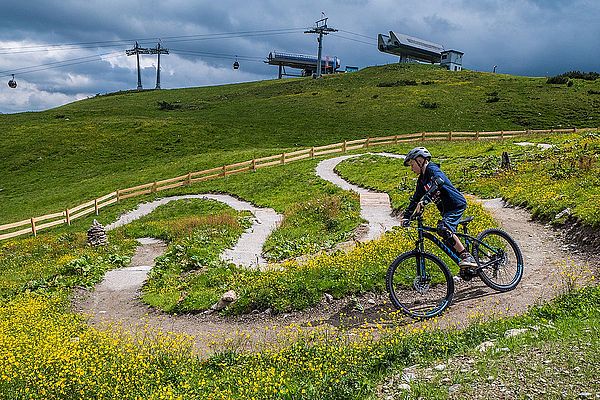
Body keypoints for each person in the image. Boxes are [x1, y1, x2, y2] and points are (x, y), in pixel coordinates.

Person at [400, 146, 478, 278]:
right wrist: (406, 216)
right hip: (446, 210)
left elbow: (439, 182)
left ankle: (467, 256)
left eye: (412, 164)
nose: (412, 169)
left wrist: (424, 201)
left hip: (455, 204)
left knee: (443, 228)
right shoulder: (421, 180)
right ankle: (468, 268)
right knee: (446, 238)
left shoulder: (432, 169)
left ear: (420, 160)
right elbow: (415, 199)